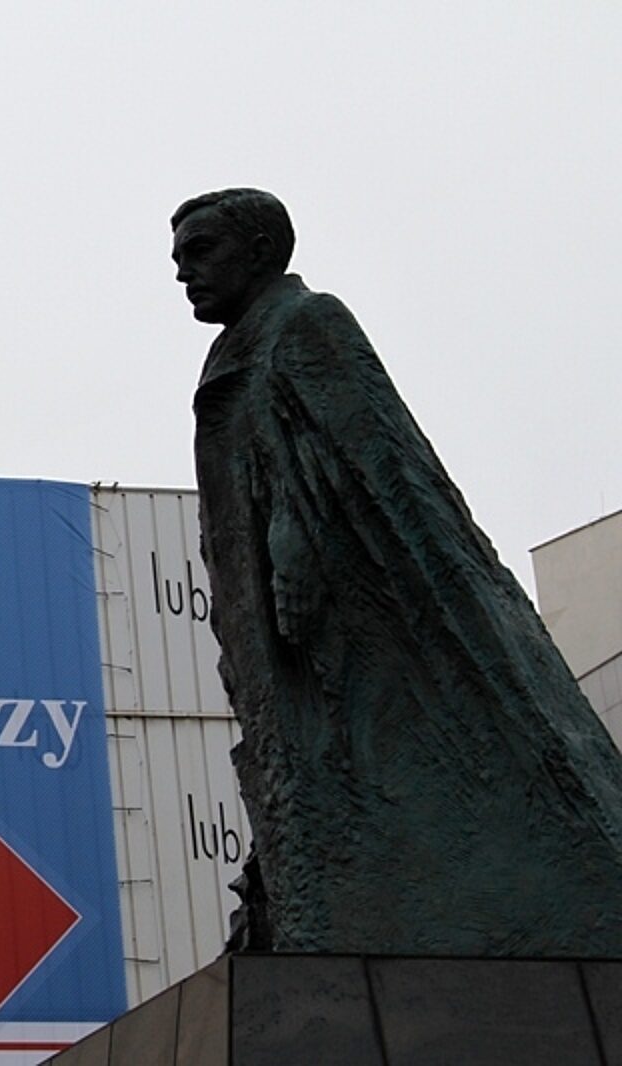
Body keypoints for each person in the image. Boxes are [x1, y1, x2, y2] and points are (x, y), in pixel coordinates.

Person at [173, 188, 622, 954]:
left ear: (260, 249)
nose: (185, 273)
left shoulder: (307, 323)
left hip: (353, 616)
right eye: (179, 259)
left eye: (201, 252)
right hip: (281, 631)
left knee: (385, 756)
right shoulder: (238, 349)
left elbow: (372, 462)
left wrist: (299, 539)